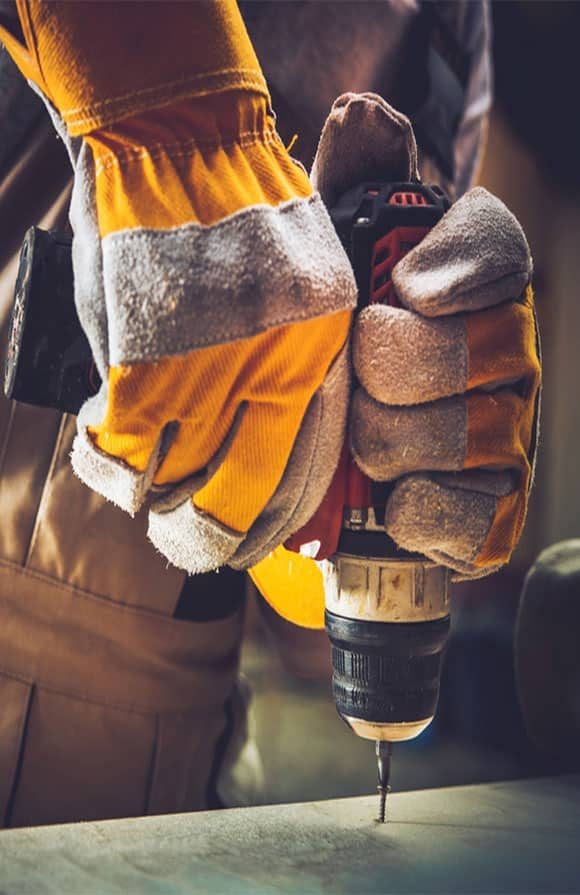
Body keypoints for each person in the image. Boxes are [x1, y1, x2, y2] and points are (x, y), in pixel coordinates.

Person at [0, 0, 539, 828]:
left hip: (159, 718)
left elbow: (404, 261)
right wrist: (167, 106)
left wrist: (339, 495)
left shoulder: (453, 21)